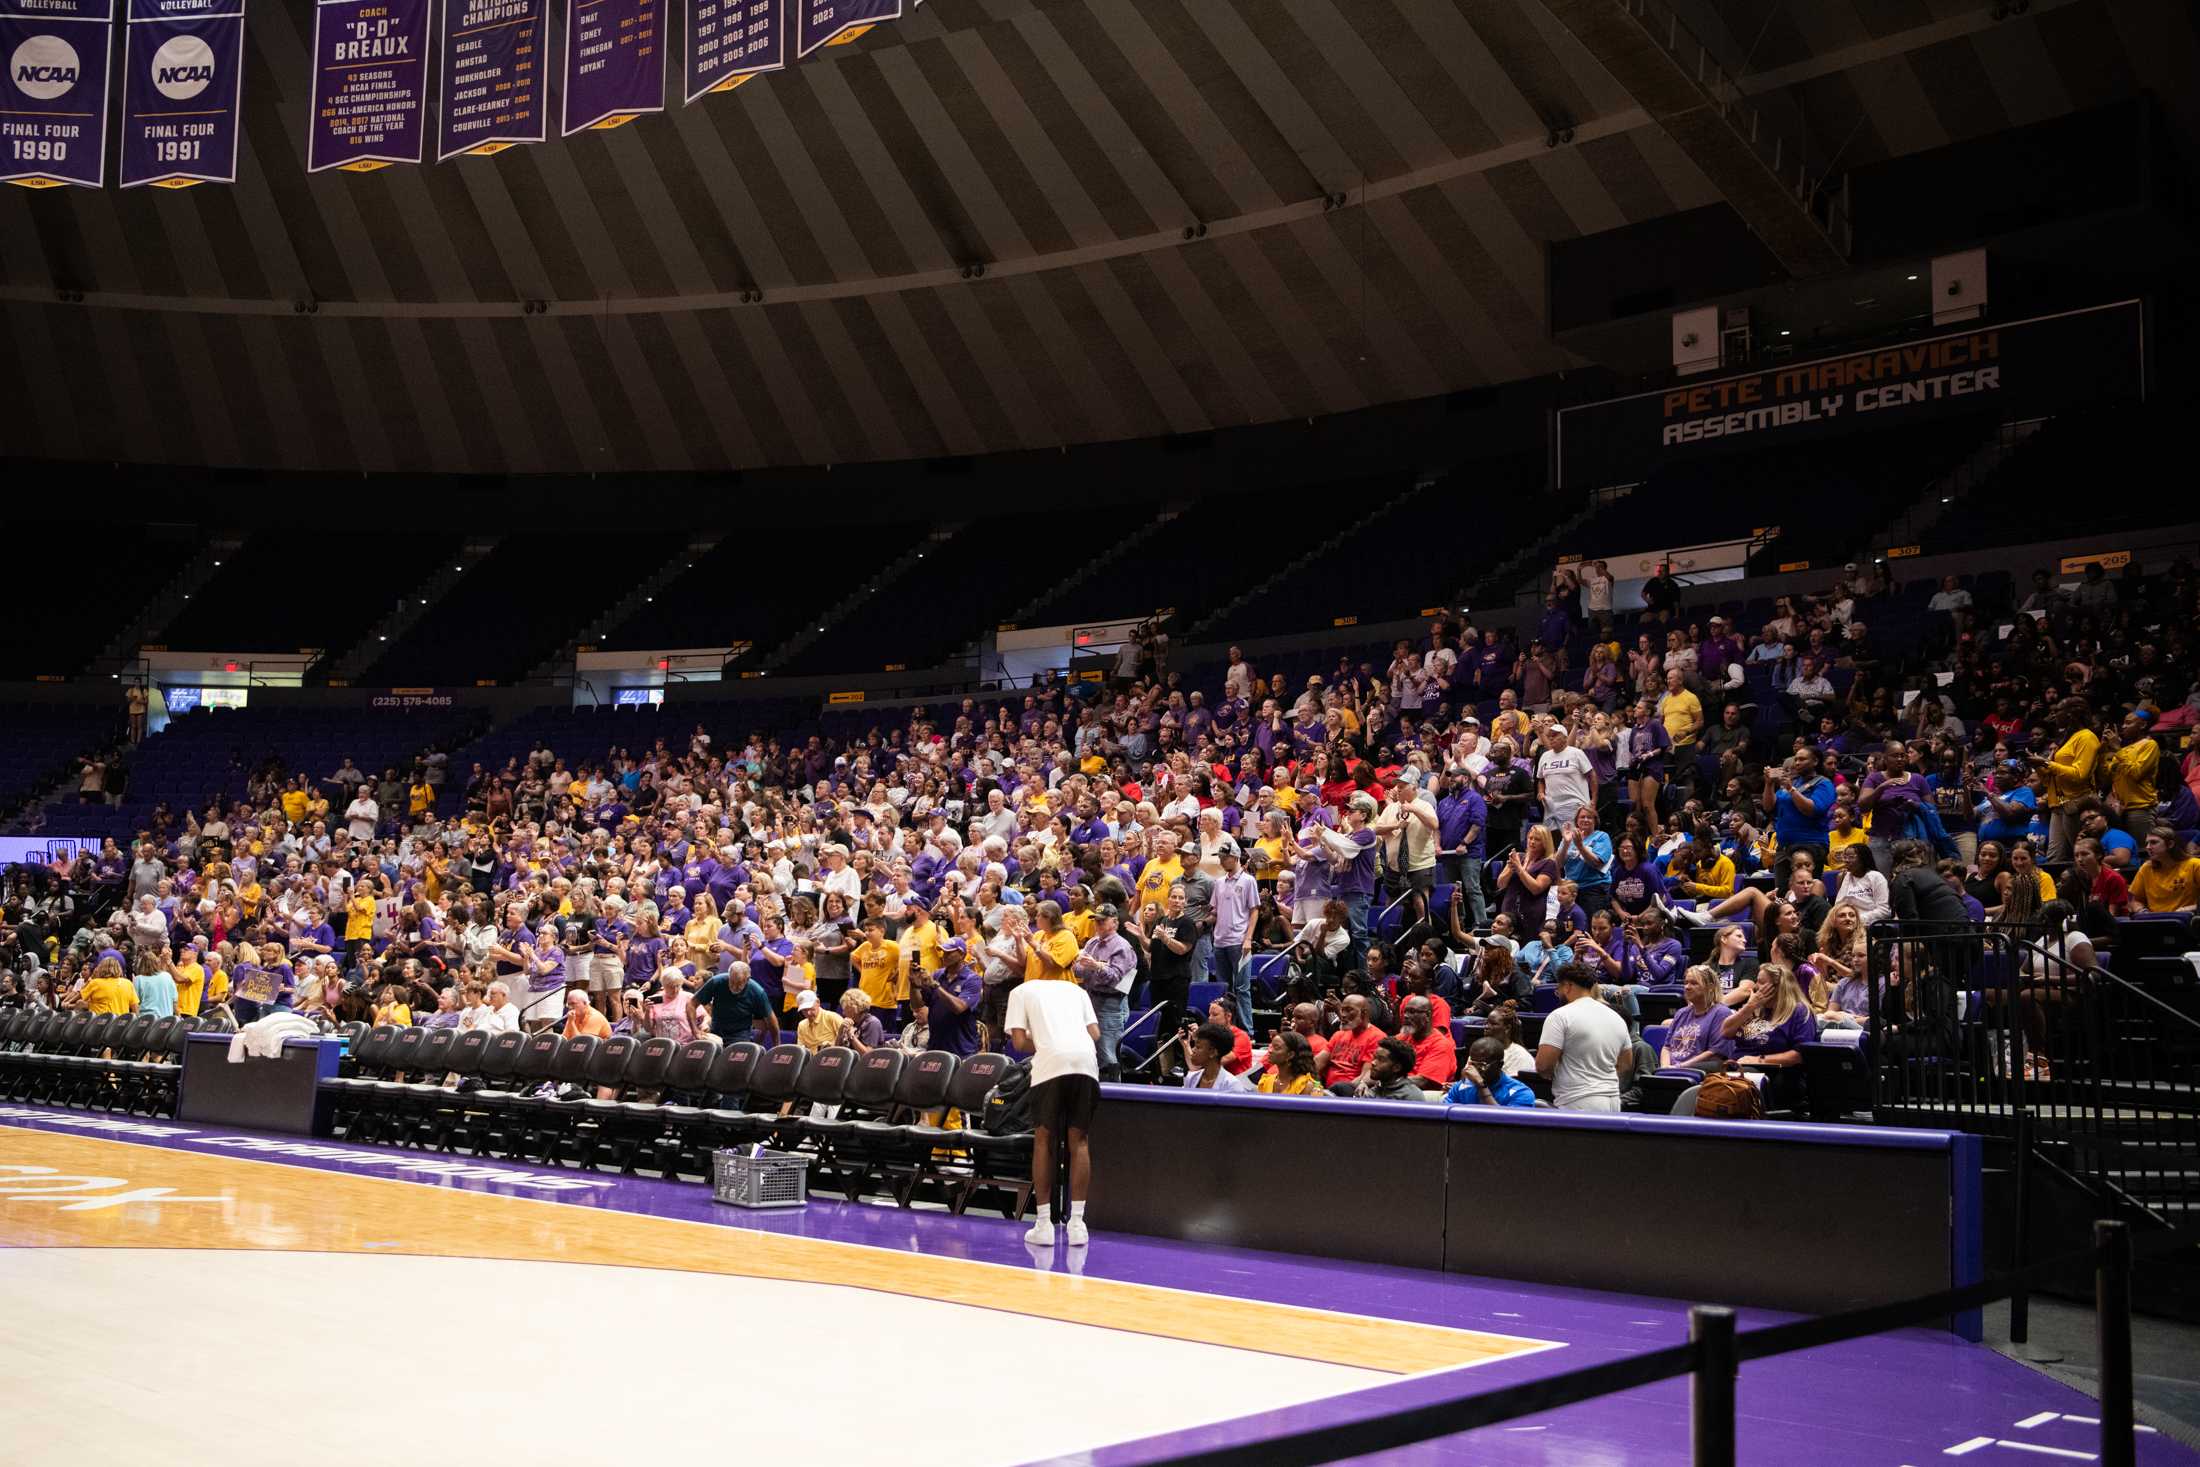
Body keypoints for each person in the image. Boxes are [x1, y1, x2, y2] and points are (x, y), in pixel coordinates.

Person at [1004, 972, 1101, 1248]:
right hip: (1085, 1062)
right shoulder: (1077, 991)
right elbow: (1094, 1033)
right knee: (1079, 1141)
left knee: (1044, 1141)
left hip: (1050, 1065)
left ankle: (1044, 1224)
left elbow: (1020, 1043)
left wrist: (1048, 1042)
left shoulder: (1020, 991)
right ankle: (1077, 1225)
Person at [1536, 964, 1630, 1112]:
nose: (1558, 994)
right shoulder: (1616, 1017)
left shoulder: (1560, 1016)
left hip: (1578, 1101)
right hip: (1613, 1101)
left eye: (1558, 989)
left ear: (1567, 986)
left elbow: (1543, 1066)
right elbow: (1625, 1064)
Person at [1659, 965, 1732, 1071]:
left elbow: (1714, 1053)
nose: (1687, 987)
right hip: (1672, 1069)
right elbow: (1667, 1047)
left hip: (1697, 1072)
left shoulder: (1721, 1013)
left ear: (1710, 987)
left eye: (1694, 983)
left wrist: (1679, 1067)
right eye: (1686, 983)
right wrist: (1664, 1068)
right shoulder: (1681, 1013)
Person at [692, 961, 779, 1045]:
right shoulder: (716, 981)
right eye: (732, 982)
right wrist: (695, 1030)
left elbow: (772, 1021)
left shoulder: (757, 991)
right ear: (728, 976)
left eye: (739, 984)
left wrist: (776, 1046)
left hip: (740, 1035)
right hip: (716, 1032)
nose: (734, 987)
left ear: (747, 979)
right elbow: (691, 1004)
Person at [1446, 1036, 1536, 1106]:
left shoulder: (1521, 1093)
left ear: (1499, 1065)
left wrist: (1481, 1086)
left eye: (1482, 1065)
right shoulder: (1460, 1087)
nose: (1475, 1070)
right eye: (1473, 1064)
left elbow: (1504, 1126)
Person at [1395, 994, 1457, 1090]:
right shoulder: (1401, 1038)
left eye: (1412, 1012)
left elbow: (1424, 1082)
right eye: (1405, 1012)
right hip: (1396, 1088)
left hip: (1422, 1096)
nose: (1406, 1016)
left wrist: (1388, 1081)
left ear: (1427, 1015)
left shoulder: (1441, 1045)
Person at [1180, 1022, 1255, 1093]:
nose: (1193, 1050)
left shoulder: (1232, 1085)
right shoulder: (1191, 1078)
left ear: (1213, 1052)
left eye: (1198, 1047)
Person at [1353, 1037, 1425, 1101]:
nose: (1373, 1063)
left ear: (1396, 1068)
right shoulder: (1369, 1092)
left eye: (1381, 1059)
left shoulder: (1411, 1097)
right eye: (1374, 1057)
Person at [1255, 1029, 1324, 1095]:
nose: (1270, 1051)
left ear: (1290, 1055)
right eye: (1271, 1046)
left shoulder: (1307, 1086)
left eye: (1276, 1048)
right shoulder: (1265, 1082)